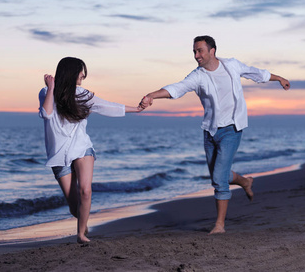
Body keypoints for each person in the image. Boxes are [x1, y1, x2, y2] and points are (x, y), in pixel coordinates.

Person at [140, 35, 290, 234]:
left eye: (199, 50)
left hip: (232, 129)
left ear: (212, 51)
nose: (196, 55)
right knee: (220, 175)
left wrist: (279, 78)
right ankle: (245, 181)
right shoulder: (198, 76)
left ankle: (219, 225)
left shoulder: (231, 66)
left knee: (219, 179)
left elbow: (256, 73)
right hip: (210, 131)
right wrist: (152, 95)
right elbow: (178, 88)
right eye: (194, 51)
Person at [38, 57, 143, 243]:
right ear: (71, 72)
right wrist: (52, 88)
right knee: (73, 206)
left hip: (82, 147)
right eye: (81, 71)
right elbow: (46, 114)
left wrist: (137, 109)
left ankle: (80, 235)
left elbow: (107, 106)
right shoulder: (46, 92)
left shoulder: (84, 94)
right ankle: (82, 224)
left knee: (85, 191)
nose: (83, 75)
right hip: (58, 154)